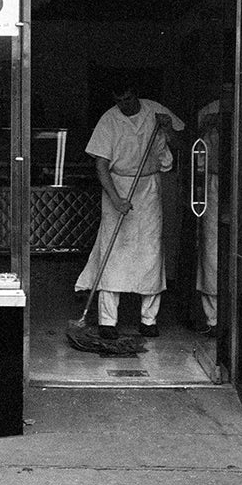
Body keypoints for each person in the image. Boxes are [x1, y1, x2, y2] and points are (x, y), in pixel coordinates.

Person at [75, 77, 184, 338]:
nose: (123, 105)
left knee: (150, 251)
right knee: (113, 253)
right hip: (117, 186)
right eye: (118, 101)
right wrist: (116, 200)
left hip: (148, 187)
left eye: (127, 99)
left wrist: (168, 129)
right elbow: (101, 165)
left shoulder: (156, 111)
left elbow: (181, 145)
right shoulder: (109, 120)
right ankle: (107, 321)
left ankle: (149, 320)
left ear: (136, 95)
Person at [195, 100, 220, 337]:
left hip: (236, 181)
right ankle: (213, 319)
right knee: (211, 253)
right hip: (210, 184)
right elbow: (195, 142)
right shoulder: (207, 110)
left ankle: (232, 317)